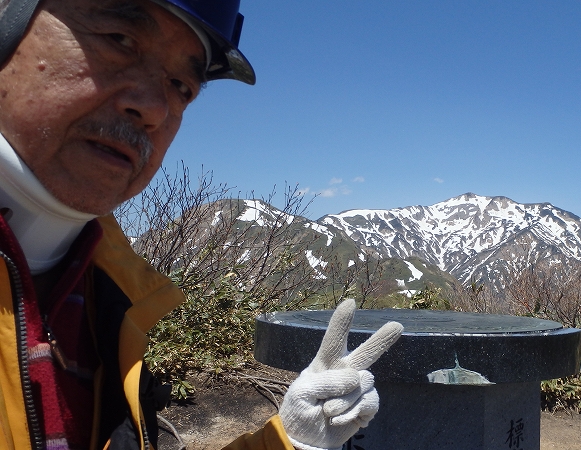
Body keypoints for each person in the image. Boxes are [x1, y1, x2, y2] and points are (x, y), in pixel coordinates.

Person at [0, 0, 403, 449]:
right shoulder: (113, 293)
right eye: (118, 39)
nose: (154, 107)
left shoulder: (105, 294)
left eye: (181, 86)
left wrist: (295, 439)